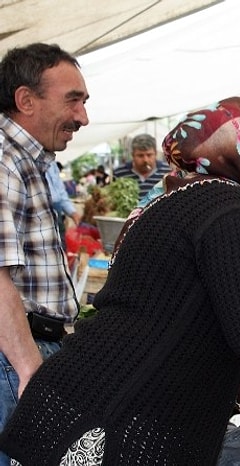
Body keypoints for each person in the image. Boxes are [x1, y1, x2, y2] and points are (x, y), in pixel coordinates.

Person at [0, 96, 240, 465]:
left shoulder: (167, 200)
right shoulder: (233, 210)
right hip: (109, 431)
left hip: (67, 409)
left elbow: (179, 316)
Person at [0, 42, 89, 466]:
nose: (83, 117)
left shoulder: (28, 160)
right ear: (25, 100)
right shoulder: (3, 158)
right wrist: (30, 370)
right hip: (12, 362)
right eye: (73, 100)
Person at [113, 133, 171, 200]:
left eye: (149, 155)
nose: (145, 160)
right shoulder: (119, 173)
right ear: (133, 155)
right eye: (140, 155)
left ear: (155, 153)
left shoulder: (167, 171)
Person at [46, 160, 82, 248]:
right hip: (44, 209)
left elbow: (59, 189)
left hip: (57, 208)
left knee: (61, 245)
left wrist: (72, 212)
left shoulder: (51, 161)